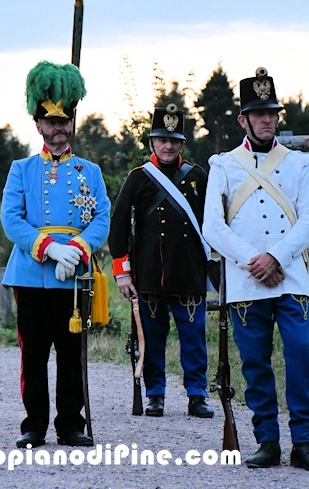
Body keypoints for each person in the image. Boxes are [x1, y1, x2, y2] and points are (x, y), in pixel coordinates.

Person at [202, 67, 309, 471]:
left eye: (271, 113)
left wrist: (275, 258)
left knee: (300, 355)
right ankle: (267, 441)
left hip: (290, 276)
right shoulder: (223, 165)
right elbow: (212, 227)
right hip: (245, 281)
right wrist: (253, 261)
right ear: (244, 119)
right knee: (255, 363)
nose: (266, 119)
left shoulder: (298, 164)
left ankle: (304, 442)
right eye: (258, 113)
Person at [0, 61, 110, 449]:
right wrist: (50, 249)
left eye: (64, 121)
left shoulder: (89, 171)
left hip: (74, 276)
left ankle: (70, 425)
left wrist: (77, 249)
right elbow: (11, 220)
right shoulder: (21, 169)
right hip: (32, 273)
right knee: (33, 355)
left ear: (72, 123)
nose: (58, 128)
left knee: (70, 354)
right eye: (51, 121)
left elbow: (102, 218)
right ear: (38, 125)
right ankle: (34, 424)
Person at [108, 104, 214, 419]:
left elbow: (213, 223)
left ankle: (197, 394)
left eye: (174, 141)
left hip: (189, 272)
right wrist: (122, 273)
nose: (168, 146)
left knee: (194, 339)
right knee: (152, 338)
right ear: (152, 142)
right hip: (149, 274)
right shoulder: (138, 178)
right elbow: (118, 229)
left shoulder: (197, 176)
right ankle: (155, 394)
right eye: (162, 140)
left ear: (182, 143)